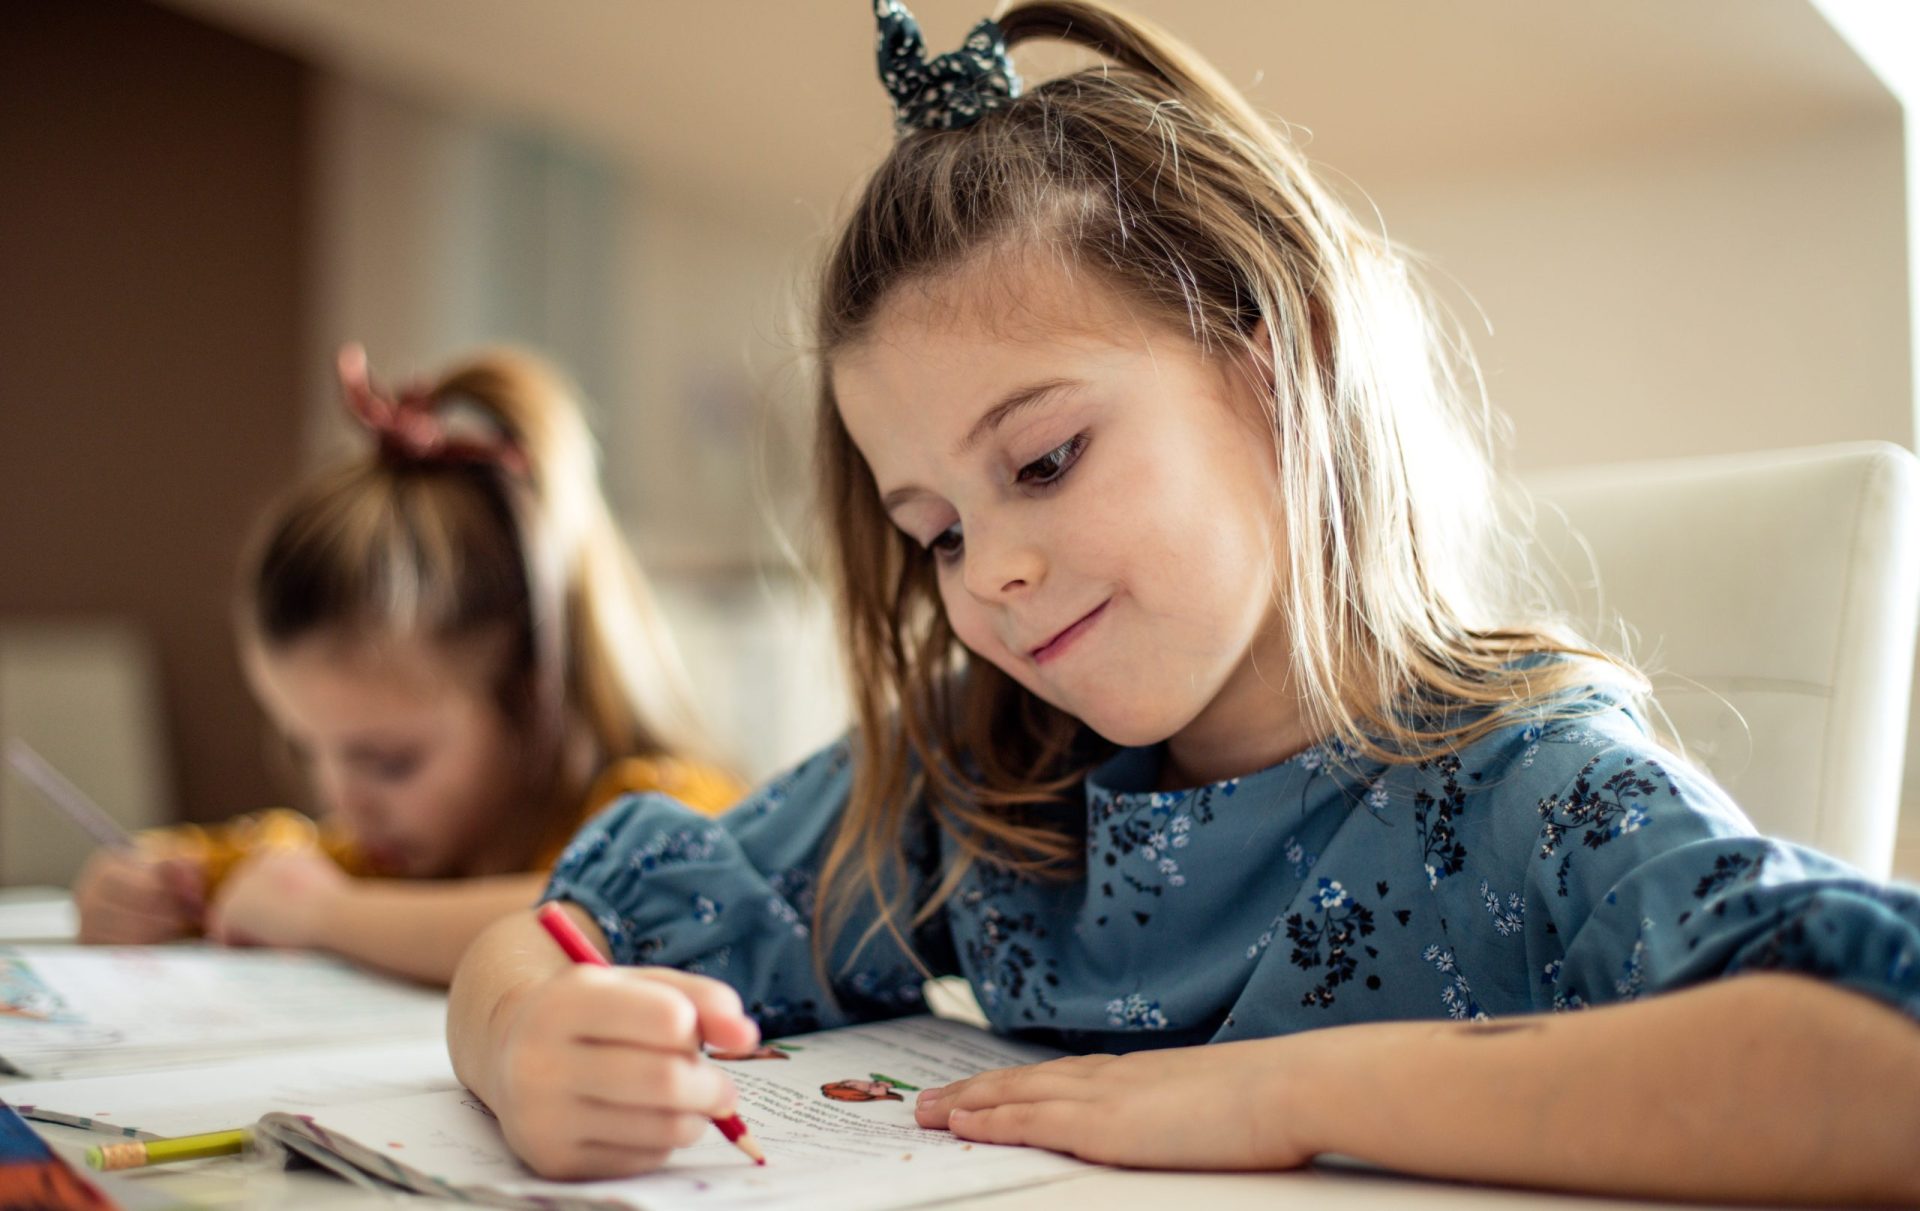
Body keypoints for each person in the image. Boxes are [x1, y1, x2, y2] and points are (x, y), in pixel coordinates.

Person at [445, 1, 1920, 1200]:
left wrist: (1278, 1092)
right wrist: (523, 1038)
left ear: (1278, 364)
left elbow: (1882, 1058)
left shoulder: (1536, 785)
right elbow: (564, 927)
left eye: (1045, 457)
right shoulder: (985, 782)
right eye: (936, 531)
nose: (993, 573)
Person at [73, 344, 742, 983]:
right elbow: (278, 861)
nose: (343, 800)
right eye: (308, 750)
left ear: (538, 693)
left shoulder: (671, 809)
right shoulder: (394, 853)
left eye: (388, 760)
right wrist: (151, 883)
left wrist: (321, 913)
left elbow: (609, 912)